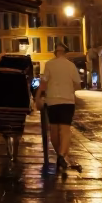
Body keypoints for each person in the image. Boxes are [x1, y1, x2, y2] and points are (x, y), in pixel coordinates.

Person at [35, 42, 81, 170]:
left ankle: (59, 155)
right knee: (65, 130)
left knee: (54, 130)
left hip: (52, 101)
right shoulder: (71, 66)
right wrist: (70, 90)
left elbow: (43, 84)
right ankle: (61, 155)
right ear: (66, 53)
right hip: (67, 101)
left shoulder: (49, 64)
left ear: (55, 53)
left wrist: (38, 97)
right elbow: (77, 84)